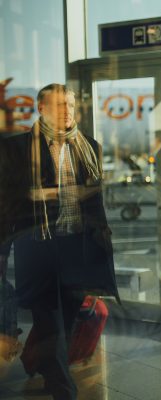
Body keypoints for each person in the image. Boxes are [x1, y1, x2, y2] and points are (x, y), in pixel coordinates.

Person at [0, 83, 119, 400]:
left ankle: (39, 361)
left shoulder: (88, 146)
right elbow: (7, 205)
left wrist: (101, 242)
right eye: (59, 105)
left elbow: (95, 203)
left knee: (65, 323)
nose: (67, 111)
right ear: (41, 109)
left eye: (70, 105)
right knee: (50, 320)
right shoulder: (17, 149)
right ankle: (63, 389)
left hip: (76, 249)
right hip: (37, 248)